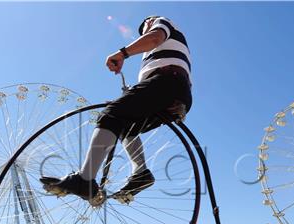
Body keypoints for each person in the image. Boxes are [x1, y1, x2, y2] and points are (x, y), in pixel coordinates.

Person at [41, 16, 192, 202]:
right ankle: (141, 173)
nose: (144, 30)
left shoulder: (161, 22)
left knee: (110, 116)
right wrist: (127, 99)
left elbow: (154, 38)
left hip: (169, 81)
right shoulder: (160, 52)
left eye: (144, 26)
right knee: (124, 124)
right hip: (174, 91)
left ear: (150, 21)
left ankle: (84, 180)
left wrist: (123, 53)